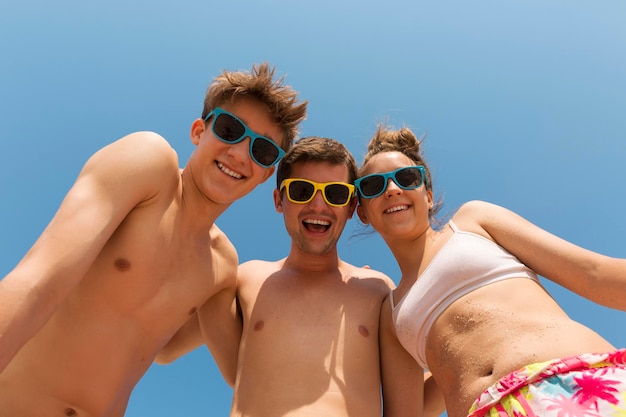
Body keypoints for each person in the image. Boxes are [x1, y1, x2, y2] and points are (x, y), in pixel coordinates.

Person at [0, 62, 307, 417]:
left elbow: (235, 371)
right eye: (229, 129)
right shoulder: (150, 167)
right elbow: (37, 281)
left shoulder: (222, 267)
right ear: (198, 131)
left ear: (266, 174)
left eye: (263, 151)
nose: (240, 153)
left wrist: (307, 290)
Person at [354, 124, 626, 417]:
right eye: (373, 185)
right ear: (363, 212)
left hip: (578, 381)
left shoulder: (473, 222)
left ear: (428, 195)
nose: (393, 190)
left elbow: (595, 274)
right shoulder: (390, 313)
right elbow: (409, 411)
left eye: (406, 178)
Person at [158, 136, 426, 417]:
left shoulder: (377, 289)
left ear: (350, 207)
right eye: (301, 190)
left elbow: (408, 404)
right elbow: (165, 347)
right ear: (279, 199)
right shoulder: (244, 278)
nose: (319, 205)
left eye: (335, 193)